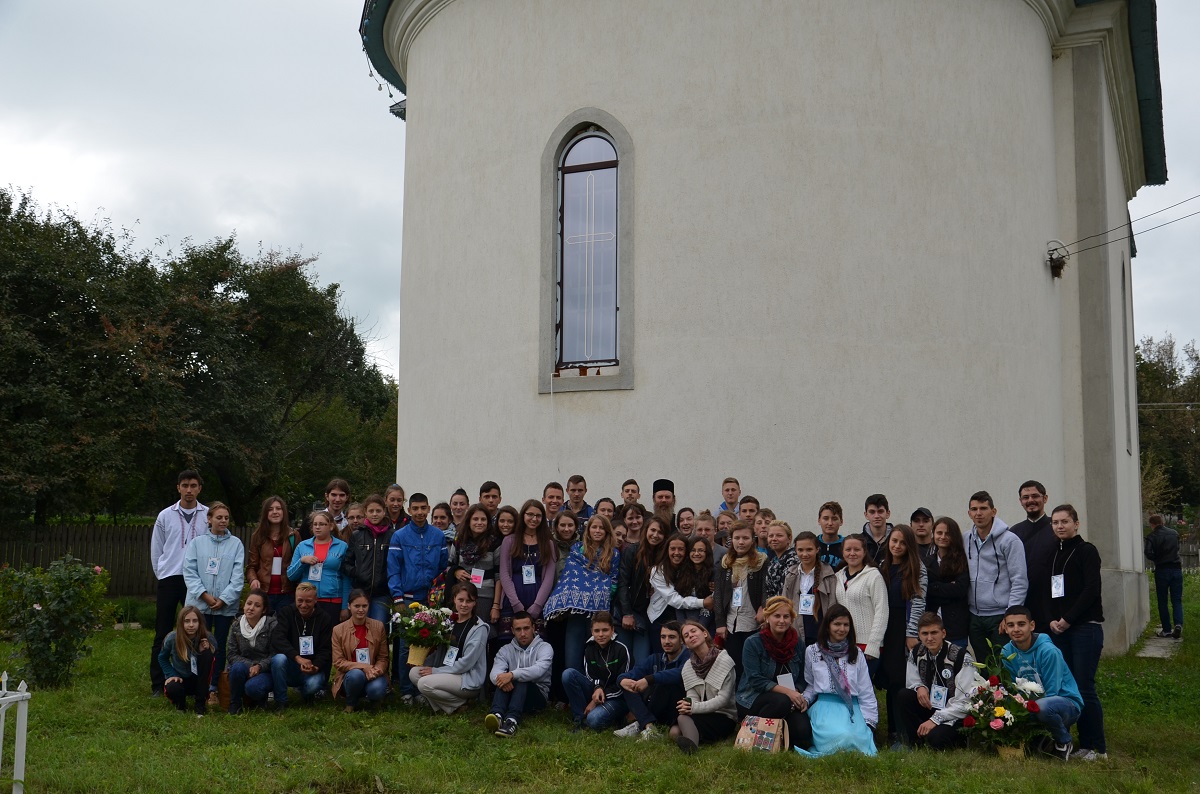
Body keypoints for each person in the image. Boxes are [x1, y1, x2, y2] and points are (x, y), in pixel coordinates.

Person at [1046, 504, 1107, 761]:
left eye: (1065, 521)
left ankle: (1097, 747)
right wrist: (1052, 619)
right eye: (1055, 522)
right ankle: (1079, 742)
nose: (1060, 526)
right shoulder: (1055, 553)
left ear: (1076, 524)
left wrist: (1068, 619)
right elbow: (1053, 592)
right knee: (1068, 688)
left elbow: (1091, 589)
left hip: (1084, 628)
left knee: (1084, 687)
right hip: (1061, 630)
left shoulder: (1086, 551)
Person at [149, 469, 209, 696]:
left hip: (196, 580)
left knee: (196, 630)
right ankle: (158, 683)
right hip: (170, 578)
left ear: (199, 488)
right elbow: (157, 549)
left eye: (193, 485)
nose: (189, 490)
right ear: (178, 488)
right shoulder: (165, 515)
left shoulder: (207, 514)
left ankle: (195, 681)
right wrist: (162, 573)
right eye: (185, 485)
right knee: (162, 631)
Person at [1000, 606, 1083, 761]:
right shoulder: (1006, 652)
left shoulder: (1048, 651)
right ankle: (1039, 739)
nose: (1016, 629)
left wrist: (1029, 710)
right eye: (1010, 625)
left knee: (1043, 707)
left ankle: (1064, 741)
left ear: (1032, 625)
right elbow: (1012, 686)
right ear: (1005, 628)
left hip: (1064, 703)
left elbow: (1053, 690)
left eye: (1021, 624)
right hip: (1031, 704)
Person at [794, 604, 878, 757]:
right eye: (837, 624)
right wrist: (804, 699)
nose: (842, 629)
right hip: (825, 709)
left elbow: (866, 690)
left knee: (855, 738)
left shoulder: (856, 653)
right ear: (827, 626)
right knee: (842, 736)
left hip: (852, 709)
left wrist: (870, 722)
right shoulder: (813, 651)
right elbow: (811, 685)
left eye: (846, 625)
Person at [182, 501, 244, 704]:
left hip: (225, 607)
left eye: (226, 518)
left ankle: (214, 687)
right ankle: (197, 684)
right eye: (219, 517)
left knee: (219, 645)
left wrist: (224, 599)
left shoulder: (236, 544)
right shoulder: (197, 543)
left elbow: (237, 576)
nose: (223, 521)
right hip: (200, 605)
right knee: (199, 644)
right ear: (209, 519)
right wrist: (205, 596)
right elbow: (189, 572)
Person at [387, 492, 449, 695]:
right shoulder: (399, 536)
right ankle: (406, 690)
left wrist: (437, 596)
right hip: (407, 598)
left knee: (428, 644)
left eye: (423, 508)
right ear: (409, 510)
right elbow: (393, 569)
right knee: (407, 646)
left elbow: (442, 568)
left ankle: (422, 689)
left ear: (429, 509)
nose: (420, 512)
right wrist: (397, 597)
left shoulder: (438, 536)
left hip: (430, 599)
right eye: (415, 508)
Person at [545, 514, 621, 672]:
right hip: (576, 614)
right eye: (594, 527)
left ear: (607, 531)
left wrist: (598, 596)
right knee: (571, 661)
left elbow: (613, 581)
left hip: (600, 615)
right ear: (588, 530)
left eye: (601, 528)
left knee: (596, 661)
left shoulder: (614, 553)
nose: (597, 531)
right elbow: (569, 579)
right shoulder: (577, 550)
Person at [736, 596, 812, 749]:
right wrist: (789, 693)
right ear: (767, 618)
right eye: (776, 616)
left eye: (786, 616)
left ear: (791, 619)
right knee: (781, 701)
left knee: (803, 732)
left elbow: (803, 677)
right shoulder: (753, 642)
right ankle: (754, 734)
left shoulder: (798, 643)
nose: (781, 621)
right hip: (753, 697)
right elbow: (755, 680)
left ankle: (779, 732)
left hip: (789, 699)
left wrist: (797, 693)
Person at [877, 524, 927, 747]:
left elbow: (918, 602)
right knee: (890, 680)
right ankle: (892, 732)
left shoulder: (917, 567)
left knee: (900, 680)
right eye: (894, 541)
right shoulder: (882, 566)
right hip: (884, 627)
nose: (897, 546)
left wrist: (911, 633)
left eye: (902, 543)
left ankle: (903, 733)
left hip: (903, 628)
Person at [895, 612, 974, 750]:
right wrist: (919, 687)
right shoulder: (916, 652)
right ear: (919, 635)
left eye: (934, 633)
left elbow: (965, 703)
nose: (929, 638)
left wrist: (935, 719)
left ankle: (956, 739)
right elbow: (911, 681)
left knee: (936, 739)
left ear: (943, 633)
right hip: (931, 706)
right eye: (925, 634)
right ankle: (914, 742)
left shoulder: (961, 657)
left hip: (954, 713)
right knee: (904, 695)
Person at [965, 490, 1027, 663]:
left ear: (993, 511)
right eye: (974, 509)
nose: (979, 513)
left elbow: (1019, 580)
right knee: (983, 667)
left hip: (1000, 616)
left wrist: (1010, 615)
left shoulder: (1010, 540)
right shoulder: (965, 539)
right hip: (974, 616)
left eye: (983, 508)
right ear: (969, 513)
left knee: (1004, 666)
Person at [411, 582, 489, 714]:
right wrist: (424, 663)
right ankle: (449, 705)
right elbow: (439, 652)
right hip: (446, 672)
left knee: (424, 684)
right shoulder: (449, 622)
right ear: (454, 599)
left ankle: (457, 704)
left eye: (469, 601)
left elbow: (466, 664)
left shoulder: (479, 628)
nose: (464, 604)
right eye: (461, 600)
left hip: (466, 678)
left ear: (475, 602)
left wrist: (435, 671)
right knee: (414, 673)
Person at [613, 621, 691, 739]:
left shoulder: (689, 657)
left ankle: (641, 723)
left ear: (681, 640)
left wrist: (649, 679)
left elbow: (679, 673)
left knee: (664, 681)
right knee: (629, 685)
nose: (666, 641)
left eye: (672, 637)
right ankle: (648, 726)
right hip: (655, 704)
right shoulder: (655, 658)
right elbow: (633, 673)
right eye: (663, 637)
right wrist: (621, 680)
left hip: (677, 707)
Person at [670, 620, 738, 753]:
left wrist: (693, 707)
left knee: (682, 720)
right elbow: (692, 696)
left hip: (724, 716)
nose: (691, 635)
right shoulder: (688, 667)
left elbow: (723, 700)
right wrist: (688, 705)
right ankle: (696, 737)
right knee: (674, 731)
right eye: (686, 635)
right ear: (686, 644)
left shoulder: (724, 660)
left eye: (694, 631)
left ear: (705, 634)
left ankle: (692, 747)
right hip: (701, 714)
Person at [486, 611, 553, 737]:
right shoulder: (505, 650)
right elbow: (494, 673)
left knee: (521, 679)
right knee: (503, 678)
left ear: (533, 628)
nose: (522, 633)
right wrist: (505, 678)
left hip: (537, 697)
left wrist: (512, 675)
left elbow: (538, 670)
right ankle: (497, 715)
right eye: (518, 629)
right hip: (512, 693)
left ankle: (512, 721)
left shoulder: (545, 647)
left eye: (526, 628)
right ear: (512, 630)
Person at [495, 499, 556, 638]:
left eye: (538, 516)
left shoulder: (548, 543)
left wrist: (537, 605)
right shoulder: (510, 540)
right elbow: (504, 574)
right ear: (523, 515)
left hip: (537, 600)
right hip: (512, 601)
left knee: (536, 644)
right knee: (508, 643)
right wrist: (515, 603)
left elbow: (549, 578)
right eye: (530, 514)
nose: (534, 519)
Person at [713, 520, 766, 677]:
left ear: (753, 539)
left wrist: (764, 607)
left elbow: (766, 588)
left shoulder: (761, 561)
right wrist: (720, 623)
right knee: (734, 666)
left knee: (751, 666)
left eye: (745, 538)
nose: (741, 542)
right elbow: (718, 594)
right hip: (731, 624)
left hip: (752, 622)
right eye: (737, 538)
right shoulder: (725, 563)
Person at [562, 611, 631, 731]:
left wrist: (595, 701)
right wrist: (597, 688)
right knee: (568, 674)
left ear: (612, 630)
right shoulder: (589, 649)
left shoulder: (621, 650)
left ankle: (614, 718)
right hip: (596, 692)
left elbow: (622, 684)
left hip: (617, 697)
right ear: (592, 631)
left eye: (605, 630)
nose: (601, 634)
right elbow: (590, 676)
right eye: (597, 631)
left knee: (594, 719)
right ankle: (580, 719)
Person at [832, 534, 887, 677]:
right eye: (848, 549)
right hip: (843, 644)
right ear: (842, 552)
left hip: (866, 646)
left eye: (856, 549)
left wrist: (873, 645)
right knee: (843, 687)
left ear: (864, 552)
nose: (852, 553)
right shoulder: (838, 576)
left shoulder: (873, 576)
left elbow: (881, 611)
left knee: (862, 688)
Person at [271, 583, 334, 706]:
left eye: (308, 601)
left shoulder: (325, 618)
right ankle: (281, 701)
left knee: (313, 685)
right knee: (278, 659)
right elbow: (278, 638)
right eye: (300, 600)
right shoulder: (286, 612)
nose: (304, 605)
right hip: (291, 664)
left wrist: (316, 666)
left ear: (315, 600)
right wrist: (298, 658)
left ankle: (306, 693)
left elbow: (326, 649)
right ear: (295, 598)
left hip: (312, 667)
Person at [648, 530, 712, 649]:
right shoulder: (658, 571)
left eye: (681, 549)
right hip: (661, 617)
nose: (676, 553)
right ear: (667, 550)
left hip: (686, 618)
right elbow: (675, 600)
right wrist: (703, 602)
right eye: (672, 549)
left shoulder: (689, 568)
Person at [226, 590, 285, 714]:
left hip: (265, 670)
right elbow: (231, 654)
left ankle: (260, 699)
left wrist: (260, 666)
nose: (251, 608)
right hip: (243, 667)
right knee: (236, 668)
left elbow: (275, 654)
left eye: (257, 605)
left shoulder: (272, 625)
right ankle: (235, 703)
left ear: (264, 610)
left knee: (253, 688)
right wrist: (251, 666)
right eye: (249, 603)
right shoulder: (236, 624)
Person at [288, 510, 351, 626]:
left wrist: (344, 607)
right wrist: (302, 561)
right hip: (307, 601)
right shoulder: (302, 546)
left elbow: (346, 578)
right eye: (315, 524)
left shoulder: (342, 546)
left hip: (332, 601)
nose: (317, 527)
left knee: (330, 635)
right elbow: (291, 576)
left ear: (331, 526)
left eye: (322, 524)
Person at [332, 589, 390, 712]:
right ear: (349, 606)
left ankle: (374, 701)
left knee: (376, 689)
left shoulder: (378, 626)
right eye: (357, 606)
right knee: (356, 675)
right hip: (351, 675)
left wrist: (376, 670)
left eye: (364, 606)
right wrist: (364, 667)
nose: (361, 610)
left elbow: (383, 657)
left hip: (373, 673)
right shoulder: (338, 630)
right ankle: (350, 703)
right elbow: (338, 662)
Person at [1010, 480, 1057, 630]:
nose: (1030, 500)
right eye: (1026, 497)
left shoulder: (1056, 528)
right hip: (1024, 600)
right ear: (1020, 501)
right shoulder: (1013, 533)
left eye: (1035, 496)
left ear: (1045, 498)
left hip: (1052, 601)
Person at [343, 494, 396, 623]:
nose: (374, 514)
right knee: (359, 626)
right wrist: (358, 573)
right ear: (365, 512)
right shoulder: (357, 535)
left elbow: (397, 562)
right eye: (371, 511)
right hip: (360, 591)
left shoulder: (392, 535)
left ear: (384, 511)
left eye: (378, 511)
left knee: (378, 626)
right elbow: (347, 562)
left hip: (382, 592)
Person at [782, 531, 837, 647]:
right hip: (797, 633)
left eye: (809, 550)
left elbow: (832, 604)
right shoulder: (791, 574)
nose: (805, 554)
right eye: (800, 550)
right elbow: (784, 604)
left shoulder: (828, 574)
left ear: (817, 549)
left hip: (820, 633)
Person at [159, 605, 216, 715]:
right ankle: (180, 705)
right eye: (187, 621)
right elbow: (162, 658)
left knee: (207, 654)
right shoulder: (172, 638)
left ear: (200, 622)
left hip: (198, 680)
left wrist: (204, 651)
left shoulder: (207, 637)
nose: (191, 625)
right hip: (180, 678)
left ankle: (200, 704)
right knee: (173, 687)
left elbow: (213, 657)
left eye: (195, 621)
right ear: (181, 623)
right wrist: (171, 674)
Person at [248, 496, 298, 614]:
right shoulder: (258, 536)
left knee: (284, 624)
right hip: (264, 593)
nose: (275, 512)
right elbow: (251, 566)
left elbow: (298, 565)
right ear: (265, 513)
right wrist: (253, 580)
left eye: (278, 508)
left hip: (287, 594)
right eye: (270, 509)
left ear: (284, 512)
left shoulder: (293, 535)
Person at [448, 503, 499, 621]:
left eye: (483, 519)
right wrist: (456, 572)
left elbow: (498, 576)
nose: (479, 522)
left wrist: (496, 605)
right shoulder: (459, 540)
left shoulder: (495, 543)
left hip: (485, 597)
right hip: (462, 597)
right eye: (475, 519)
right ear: (469, 521)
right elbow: (449, 565)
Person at [926, 516, 970, 648]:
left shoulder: (963, 560)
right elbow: (924, 589)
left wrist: (934, 587)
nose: (943, 537)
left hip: (956, 627)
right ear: (933, 534)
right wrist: (947, 587)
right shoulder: (926, 562)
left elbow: (960, 589)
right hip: (932, 624)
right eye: (939, 533)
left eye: (947, 533)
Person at [1145, 513, 1183, 639]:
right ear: (1163, 522)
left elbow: (1148, 552)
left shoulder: (1151, 536)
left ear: (1152, 524)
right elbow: (1177, 549)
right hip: (1176, 569)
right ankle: (1178, 624)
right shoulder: (1174, 533)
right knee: (1176, 600)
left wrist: (1157, 559)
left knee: (1163, 601)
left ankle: (1166, 630)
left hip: (1162, 570)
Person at [675, 536, 716, 631]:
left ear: (707, 553)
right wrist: (682, 627)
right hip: (684, 625)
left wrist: (698, 628)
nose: (696, 554)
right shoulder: (681, 573)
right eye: (693, 550)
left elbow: (710, 604)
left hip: (706, 625)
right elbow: (678, 603)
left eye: (701, 550)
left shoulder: (714, 573)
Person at [763, 520, 797, 598]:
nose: (774, 539)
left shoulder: (793, 559)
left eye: (779, 535)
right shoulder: (772, 562)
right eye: (771, 536)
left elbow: (787, 589)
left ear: (789, 538)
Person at [860, 493, 893, 565]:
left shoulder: (896, 541)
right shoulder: (859, 542)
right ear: (866, 515)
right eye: (872, 512)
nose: (876, 516)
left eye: (880, 511)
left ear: (888, 513)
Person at [816, 501, 845, 569]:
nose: (830, 523)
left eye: (834, 519)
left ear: (841, 521)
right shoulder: (812, 544)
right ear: (819, 521)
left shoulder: (847, 545)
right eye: (825, 518)